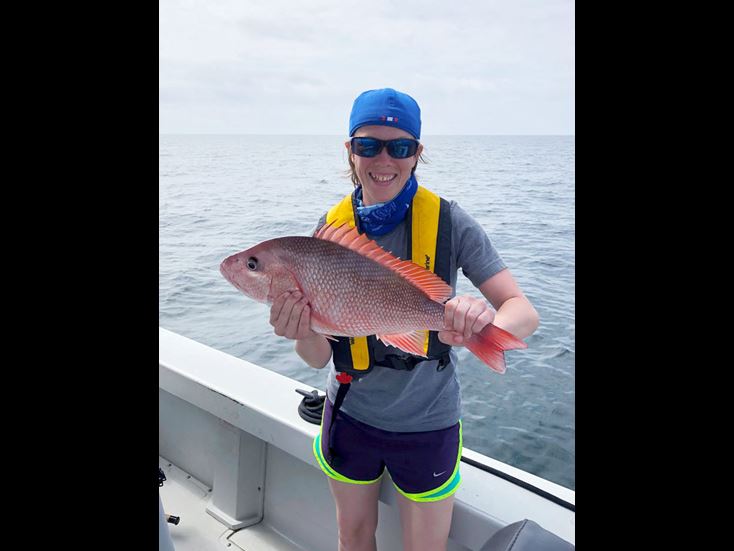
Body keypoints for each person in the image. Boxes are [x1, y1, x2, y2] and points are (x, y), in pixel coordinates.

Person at [268, 88, 539, 551]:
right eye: (368, 145)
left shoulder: (452, 223)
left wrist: (477, 321)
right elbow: (315, 358)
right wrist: (300, 329)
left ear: (417, 153)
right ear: (350, 151)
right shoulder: (327, 231)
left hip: (428, 420)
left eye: (400, 146)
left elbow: (523, 312)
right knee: (352, 538)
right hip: (350, 413)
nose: (384, 159)